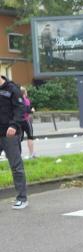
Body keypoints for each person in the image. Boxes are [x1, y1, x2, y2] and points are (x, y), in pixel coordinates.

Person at [0, 75, 27, 209]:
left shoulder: (11, 88)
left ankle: (22, 198)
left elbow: (20, 108)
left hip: (9, 133)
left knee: (16, 167)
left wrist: (14, 125)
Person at [19, 87, 35, 159]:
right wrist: (32, 110)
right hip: (26, 120)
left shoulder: (16, 100)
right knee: (30, 136)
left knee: (19, 138)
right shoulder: (26, 100)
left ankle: (18, 155)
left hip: (18, 121)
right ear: (25, 93)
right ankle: (31, 154)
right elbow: (27, 110)